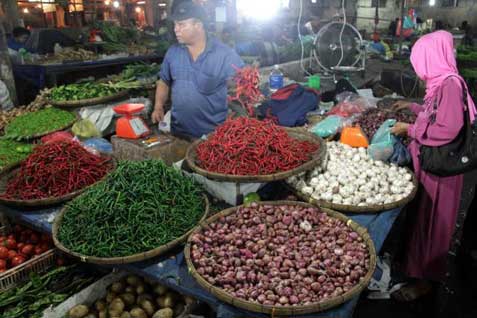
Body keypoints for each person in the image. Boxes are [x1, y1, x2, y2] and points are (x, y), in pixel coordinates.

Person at [389, 30, 477, 301]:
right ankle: (418, 269)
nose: (418, 69)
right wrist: (414, 108)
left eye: (420, 61)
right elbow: (436, 113)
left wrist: (410, 129)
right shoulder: (444, 83)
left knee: (435, 226)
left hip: (445, 174)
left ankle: (427, 281)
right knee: (425, 222)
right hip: (436, 167)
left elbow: (448, 128)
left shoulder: (450, 85)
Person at [151, 2, 244, 139]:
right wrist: (158, 106)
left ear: (198, 26)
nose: (176, 29)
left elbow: (240, 86)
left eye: (181, 25)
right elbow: (164, 81)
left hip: (213, 136)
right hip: (178, 133)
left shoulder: (224, 54)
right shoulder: (173, 52)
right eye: (175, 24)